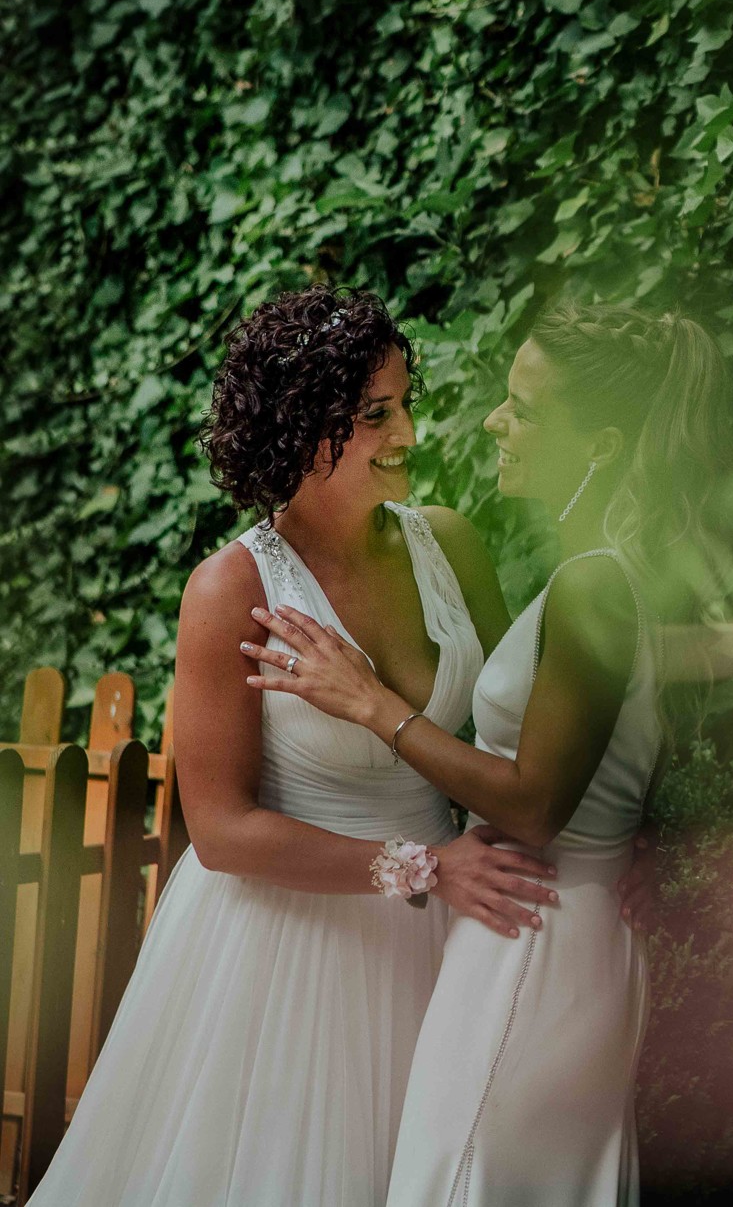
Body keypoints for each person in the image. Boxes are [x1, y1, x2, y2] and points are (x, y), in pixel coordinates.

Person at [28, 287, 555, 1206]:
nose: (412, 435)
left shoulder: (455, 548)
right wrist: (427, 866)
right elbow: (225, 831)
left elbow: (525, 731)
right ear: (305, 427)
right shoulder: (230, 590)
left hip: (450, 937)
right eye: (376, 415)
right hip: (287, 957)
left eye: (405, 405)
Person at [247, 300, 730, 1206]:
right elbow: (611, 755)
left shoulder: (592, 584)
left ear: (599, 447)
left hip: (530, 937)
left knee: (463, 1179)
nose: (492, 422)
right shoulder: (607, 572)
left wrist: (373, 703)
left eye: (525, 407)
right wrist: (627, 846)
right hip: (562, 925)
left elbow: (536, 799)